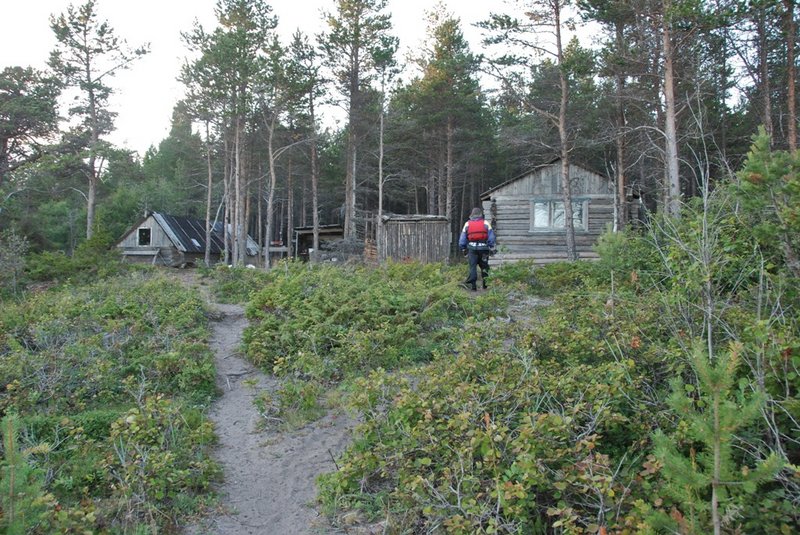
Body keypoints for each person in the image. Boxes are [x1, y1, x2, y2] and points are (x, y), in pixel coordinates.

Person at [458, 207, 496, 291]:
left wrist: (463, 248)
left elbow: (462, 239)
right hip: (483, 249)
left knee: (472, 267)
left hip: (472, 249)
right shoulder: (485, 223)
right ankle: (485, 286)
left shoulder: (467, 224)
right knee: (485, 267)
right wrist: (491, 246)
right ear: (480, 214)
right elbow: (492, 237)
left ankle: (473, 287)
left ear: (472, 214)